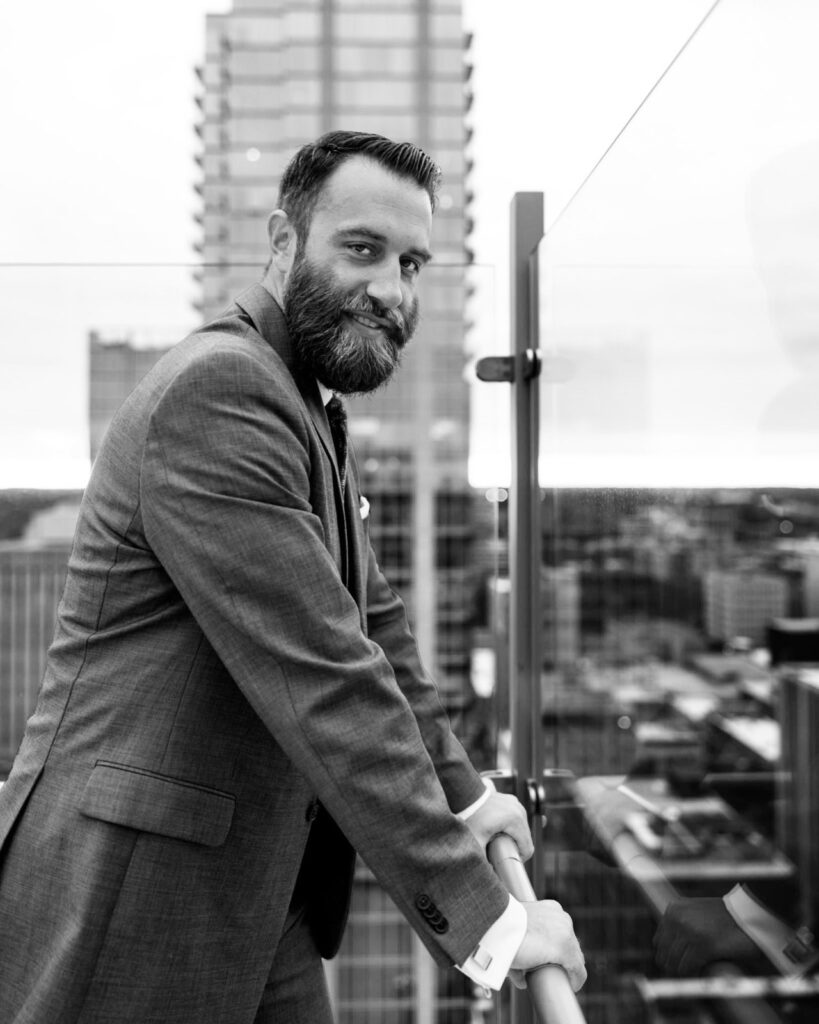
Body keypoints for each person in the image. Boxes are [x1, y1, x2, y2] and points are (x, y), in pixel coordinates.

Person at [0, 131, 586, 1023]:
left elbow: (374, 636)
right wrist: (491, 923)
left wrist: (467, 797)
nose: (392, 290)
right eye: (361, 249)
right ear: (281, 240)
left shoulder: (303, 401)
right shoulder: (222, 392)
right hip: (135, 897)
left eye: (412, 263)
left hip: (263, 890)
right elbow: (327, 679)